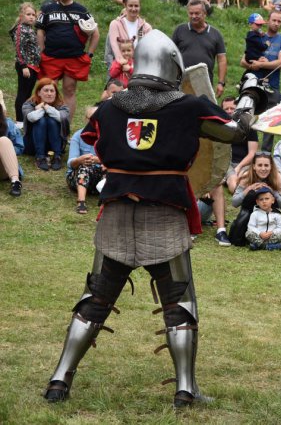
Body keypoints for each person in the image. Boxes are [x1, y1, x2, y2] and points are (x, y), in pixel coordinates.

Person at [42, 30, 261, 408]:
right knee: (181, 303)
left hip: (116, 210)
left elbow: (94, 138)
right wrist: (247, 98)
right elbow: (233, 132)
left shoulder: (111, 107)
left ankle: (60, 380)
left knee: (94, 297)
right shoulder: (189, 106)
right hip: (165, 211)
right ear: (172, 65)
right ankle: (185, 389)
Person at [36, 0, 99, 122]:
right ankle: (47, 123)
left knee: (69, 90)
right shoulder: (47, 9)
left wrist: (89, 54)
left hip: (74, 58)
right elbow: (40, 30)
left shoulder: (82, 11)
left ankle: (65, 126)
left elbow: (95, 34)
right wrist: (41, 51)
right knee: (48, 89)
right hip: (51, 58)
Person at [241, 11, 281, 152]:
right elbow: (242, 61)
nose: (276, 23)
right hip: (254, 84)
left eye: (279, 21)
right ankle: (249, 151)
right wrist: (254, 64)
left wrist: (262, 65)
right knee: (249, 118)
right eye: (274, 20)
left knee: (270, 122)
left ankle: (266, 154)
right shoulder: (256, 36)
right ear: (268, 21)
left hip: (272, 86)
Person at [228, 153, 281, 246]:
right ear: (254, 166)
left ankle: (264, 242)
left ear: (271, 166)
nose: (263, 169)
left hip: (270, 217)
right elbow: (235, 203)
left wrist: (273, 192)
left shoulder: (277, 177)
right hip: (250, 215)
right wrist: (248, 189)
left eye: (266, 165)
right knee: (236, 240)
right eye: (260, 165)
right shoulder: (247, 176)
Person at [172, 0, 227, 98]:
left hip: (205, 84)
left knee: (203, 112)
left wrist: (221, 83)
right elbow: (170, 55)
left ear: (204, 13)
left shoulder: (215, 34)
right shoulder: (179, 30)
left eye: (197, 13)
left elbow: (222, 60)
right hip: (182, 82)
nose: (193, 16)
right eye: (191, 13)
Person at [22, 78, 70, 172]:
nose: (49, 93)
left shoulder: (62, 105)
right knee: (41, 121)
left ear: (55, 93)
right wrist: (40, 109)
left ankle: (57, 156)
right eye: (46, 90)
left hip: (56, 143)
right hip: (33, 144)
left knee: (52, 120)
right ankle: (40, 157)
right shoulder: (28, 104)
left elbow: (61, 118)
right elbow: (32, 117)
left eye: (52, 91)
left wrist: (45, 106)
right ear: (39, 92)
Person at [66, 106, 105, 214]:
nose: (94, 122)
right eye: (91, 119)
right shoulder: (78, 136)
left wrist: (100, 160)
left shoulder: (109, 136)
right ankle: (81, 202)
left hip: (101, 174)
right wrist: (79, 160)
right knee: (84, 167)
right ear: (86, 119)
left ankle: (107, 201)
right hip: (77, 176)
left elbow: (117, 160)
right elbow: (70, 163)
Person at [10, 2, 40, 125]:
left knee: (28, 93)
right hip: (26, 66)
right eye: (28, 14)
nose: (31, 17)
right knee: (22, 92)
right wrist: (23, 66)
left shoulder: (29, 29)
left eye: (33, 14)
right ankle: (19, 121)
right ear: (21, 15)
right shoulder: (20, 28)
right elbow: (19, 48)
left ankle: (25, 118)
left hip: (33, 66)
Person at [220, 97, 258, 194]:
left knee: (243, 178)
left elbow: (252, 153)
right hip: (227, 164)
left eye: (232, 108)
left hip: (245, 164)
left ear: (237, 109)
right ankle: (238, 193)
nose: (229, 111)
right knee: (232, 180)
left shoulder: (248, 125)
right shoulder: (219, 127)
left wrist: (239, 167)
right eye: (226, 109)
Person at [104, 0, 151, 72]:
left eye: (136, 6)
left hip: (140, 71)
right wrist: (123, 65)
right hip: (119, 70)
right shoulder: (115, 24)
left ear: (140, 7)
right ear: (125, 5)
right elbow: (115, 49)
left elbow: (149, 52)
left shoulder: (146, 27)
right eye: (130, 6)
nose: (133, 9)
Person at [245, 186, 281, 250]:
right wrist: (260, 233)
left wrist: (271, 232)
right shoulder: (255, 214)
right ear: (257, 202)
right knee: (248, 233)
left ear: (273, 200)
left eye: (267, 199)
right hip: (259, 236)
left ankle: (258, 246)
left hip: (270, 236)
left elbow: (280, 228)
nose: (264, 201)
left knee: (280, 236)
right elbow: (251, 227)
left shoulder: (277, 214)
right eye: (261, 199)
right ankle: (268, 246)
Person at [0, 111, 24, 197]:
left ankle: (15, 182)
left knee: (4, 140)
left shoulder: (7, 123)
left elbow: (20, 148)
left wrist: (3, 150)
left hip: (3, 167)